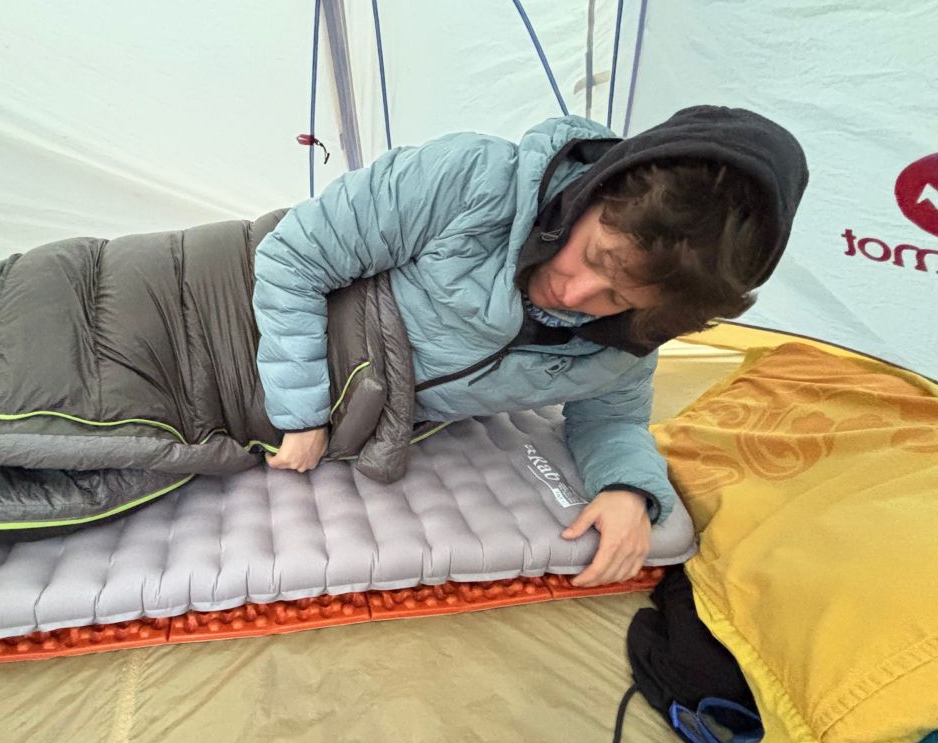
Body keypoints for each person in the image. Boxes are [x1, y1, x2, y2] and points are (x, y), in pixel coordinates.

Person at [251, 105, 808, 588]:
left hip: (344, 382)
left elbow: (613, 420)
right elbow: (292, 259)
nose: (575, 293)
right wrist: (304, 417)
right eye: (595, 257)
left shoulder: (623, 343)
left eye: (618, 297)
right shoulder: (469, 179)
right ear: (596, 189)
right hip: (243, 299)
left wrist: (626, 489)